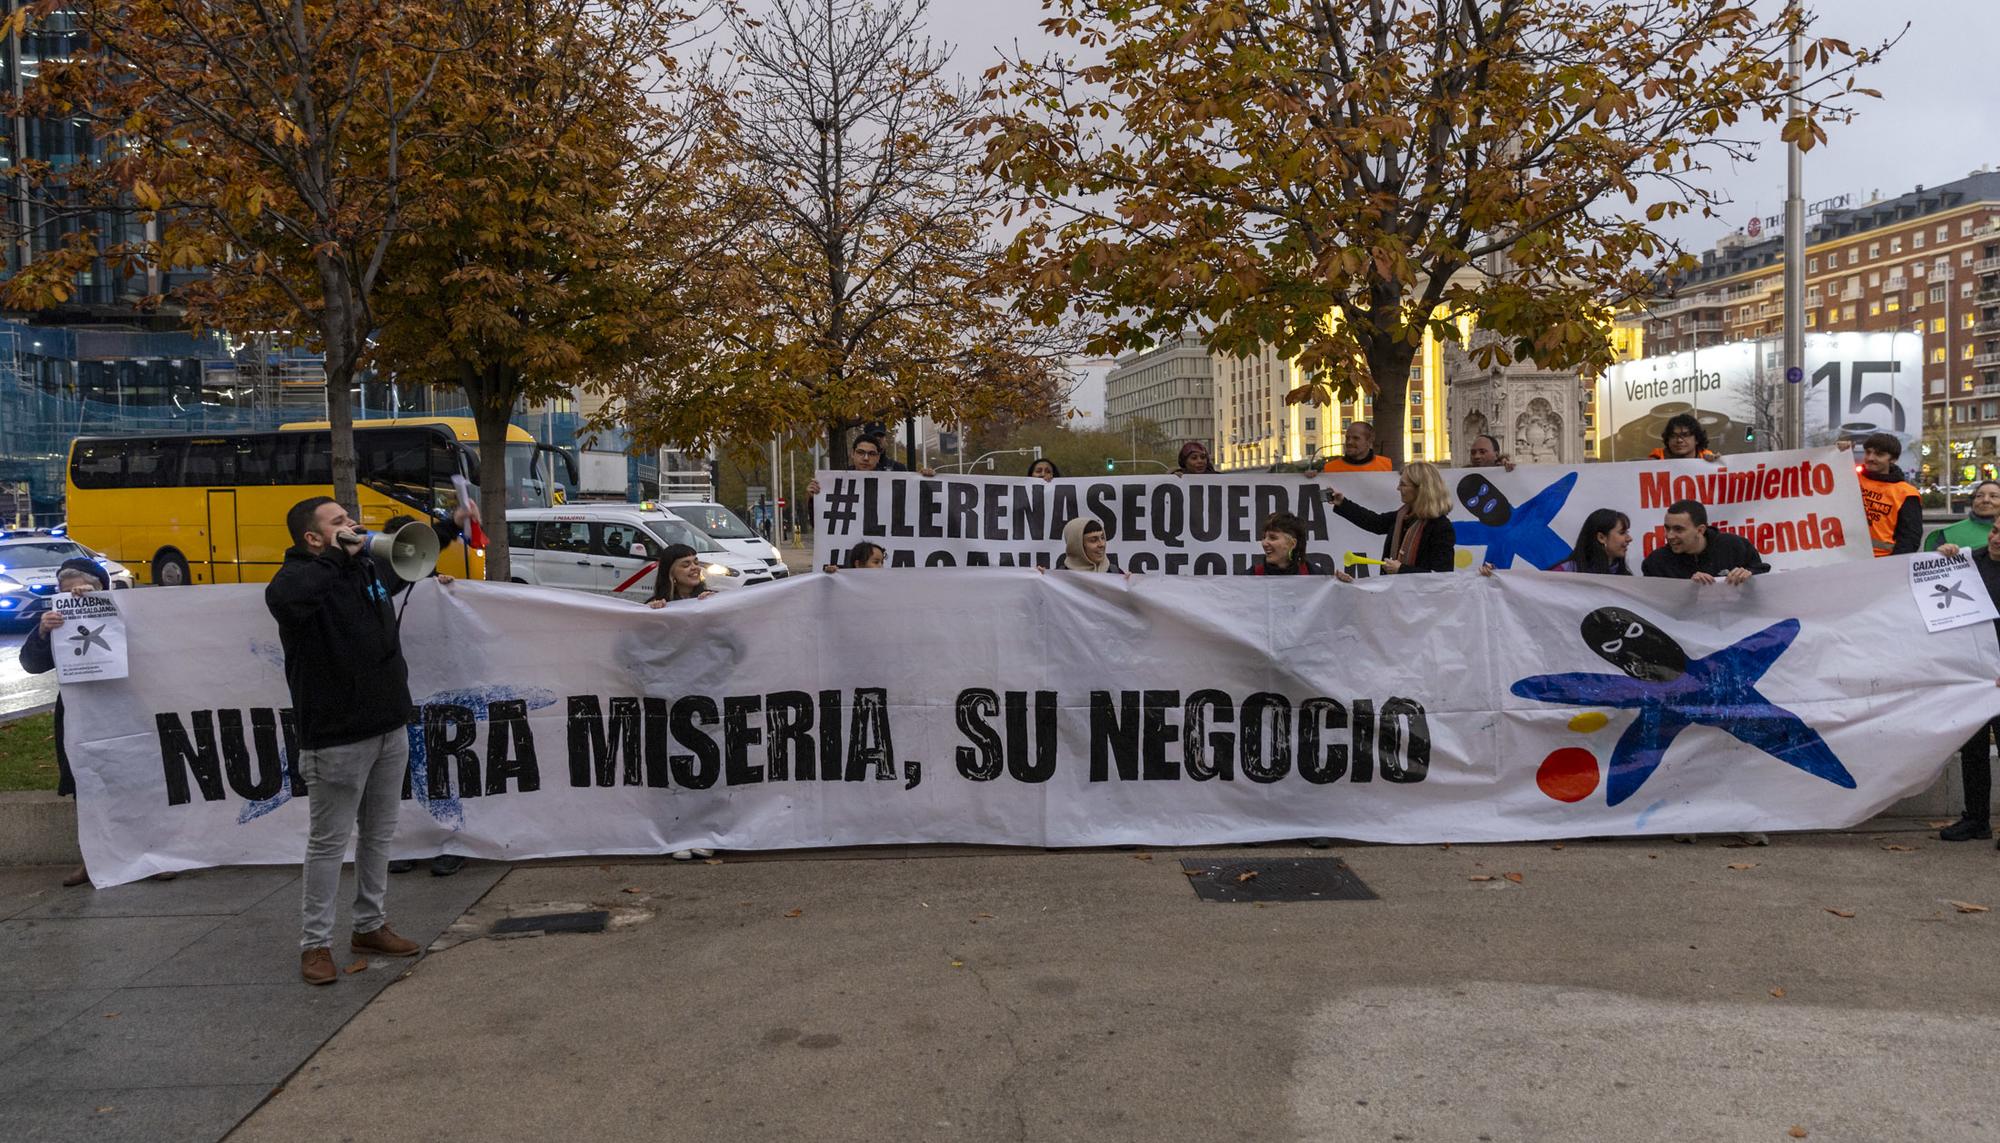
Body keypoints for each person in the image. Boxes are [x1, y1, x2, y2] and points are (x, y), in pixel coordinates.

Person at [267, 497, 450, 985]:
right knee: (328, 843)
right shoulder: (295, 581)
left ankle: (370, 924)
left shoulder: (363, 571)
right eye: (339, 522)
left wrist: (449, 530)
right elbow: (291, 601)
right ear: (312, 538)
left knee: (378, 834)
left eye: (350, 519)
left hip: (389, 726)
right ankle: (315, 944)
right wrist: (337, 556)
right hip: (336, 736)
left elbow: (407, 567)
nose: (353, 525)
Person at [22, 558, 148, 888]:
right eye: (65, 592)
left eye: (82, 590)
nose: (74, 597)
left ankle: (150, 856)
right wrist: (42, 631)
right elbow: (32, 664)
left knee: (135, 783)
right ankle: (92, 860)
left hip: (124, 709)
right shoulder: (56, 622)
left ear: (102, 588)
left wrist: (102, 606)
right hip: (80, 715)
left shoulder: (127, 612)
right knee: (86, 787)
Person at [380, 513, 468, 879]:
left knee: (440, 769)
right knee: (398, 776)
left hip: (434, 694)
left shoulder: (431, 584)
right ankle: (407, 842)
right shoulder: (371, 582)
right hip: (394, 695)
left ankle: (450, 842)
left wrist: (445, 593)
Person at [1933, 524, 2000, 843]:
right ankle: (1976, 819)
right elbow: (1931, 580)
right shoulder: (1972, 560)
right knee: (1973, 750)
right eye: (1995, 531)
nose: (1996, 538)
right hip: (1974, 674)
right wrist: (1941, 556)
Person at [1325, 461, 1455, 576]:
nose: (1398, 488)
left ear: (1420, 489)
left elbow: (1442, 576)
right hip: (1393, 596)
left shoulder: (1441, 527)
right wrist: (1342, 503)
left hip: (1420, 601)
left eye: (1403, 484)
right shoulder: (1402, 516)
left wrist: (1402, 570)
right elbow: (1374, 522)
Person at [1640, 499, 1769, 583]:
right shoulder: (1656, 562)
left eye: (1678, 529)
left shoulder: (1735, 546)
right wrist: (1687, 589)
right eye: (1667, 528)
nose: (1670, 536)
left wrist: (1749, 574)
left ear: (1700, 530)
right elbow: (1654, 604)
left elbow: (1763, 575)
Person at [1856, 431, 1921, 557]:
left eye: (1879, 454)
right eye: (1868, 452)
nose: (1870, 458)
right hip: (1844, 558)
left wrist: (1893, 567)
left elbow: (1909, 539)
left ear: (1893, 459)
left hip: (1882, 564)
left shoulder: (1906, 493)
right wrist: (1836, 452)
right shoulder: (1850, 477)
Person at [1923, 480, 2000, 553]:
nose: (1985, 500)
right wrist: (1940, 554)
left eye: (1993, 496)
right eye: (1979, 496)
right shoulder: (1947, 534)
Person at [1551, 509, 1634, 575]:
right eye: (1622, 533)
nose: (1629, 538)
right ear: (1601, 537)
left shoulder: (1625, 578)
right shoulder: (1564, 573)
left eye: (1627, 532)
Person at [1246, 512, 1316, 575]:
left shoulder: (1314, 574)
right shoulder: (1251, 576)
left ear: (1292, 544)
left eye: (1273, 537)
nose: (1264, 543)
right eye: (1264, 537)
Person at [646, 543, 715, 606]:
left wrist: (713, 602)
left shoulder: (710, 597)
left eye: (696, 563)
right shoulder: (657, 603)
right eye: (686, 565)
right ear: (670, 572)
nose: (694, 567)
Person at [1319, 421, 1395, 474]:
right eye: (1347, 438)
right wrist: (1311, 478)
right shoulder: (1330, 469)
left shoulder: (1387, 465)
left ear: (1369, 441)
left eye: (1356, 438)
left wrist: (1405, 477)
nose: (1349, 442)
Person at [1647, 413, 1721, 462]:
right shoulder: (1656, 458)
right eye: (1673, 436)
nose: (1679, 440)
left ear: (1697, 439)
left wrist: (1715, 463)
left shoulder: (1707, 457)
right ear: (1667, 440)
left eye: (1685, 435)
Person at [822, 541, 886, 573]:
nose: (881, 566)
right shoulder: (844, 582)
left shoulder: (884, 584)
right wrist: (831, 576)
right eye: (876, 562)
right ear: (858, 564)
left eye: (882, 563)